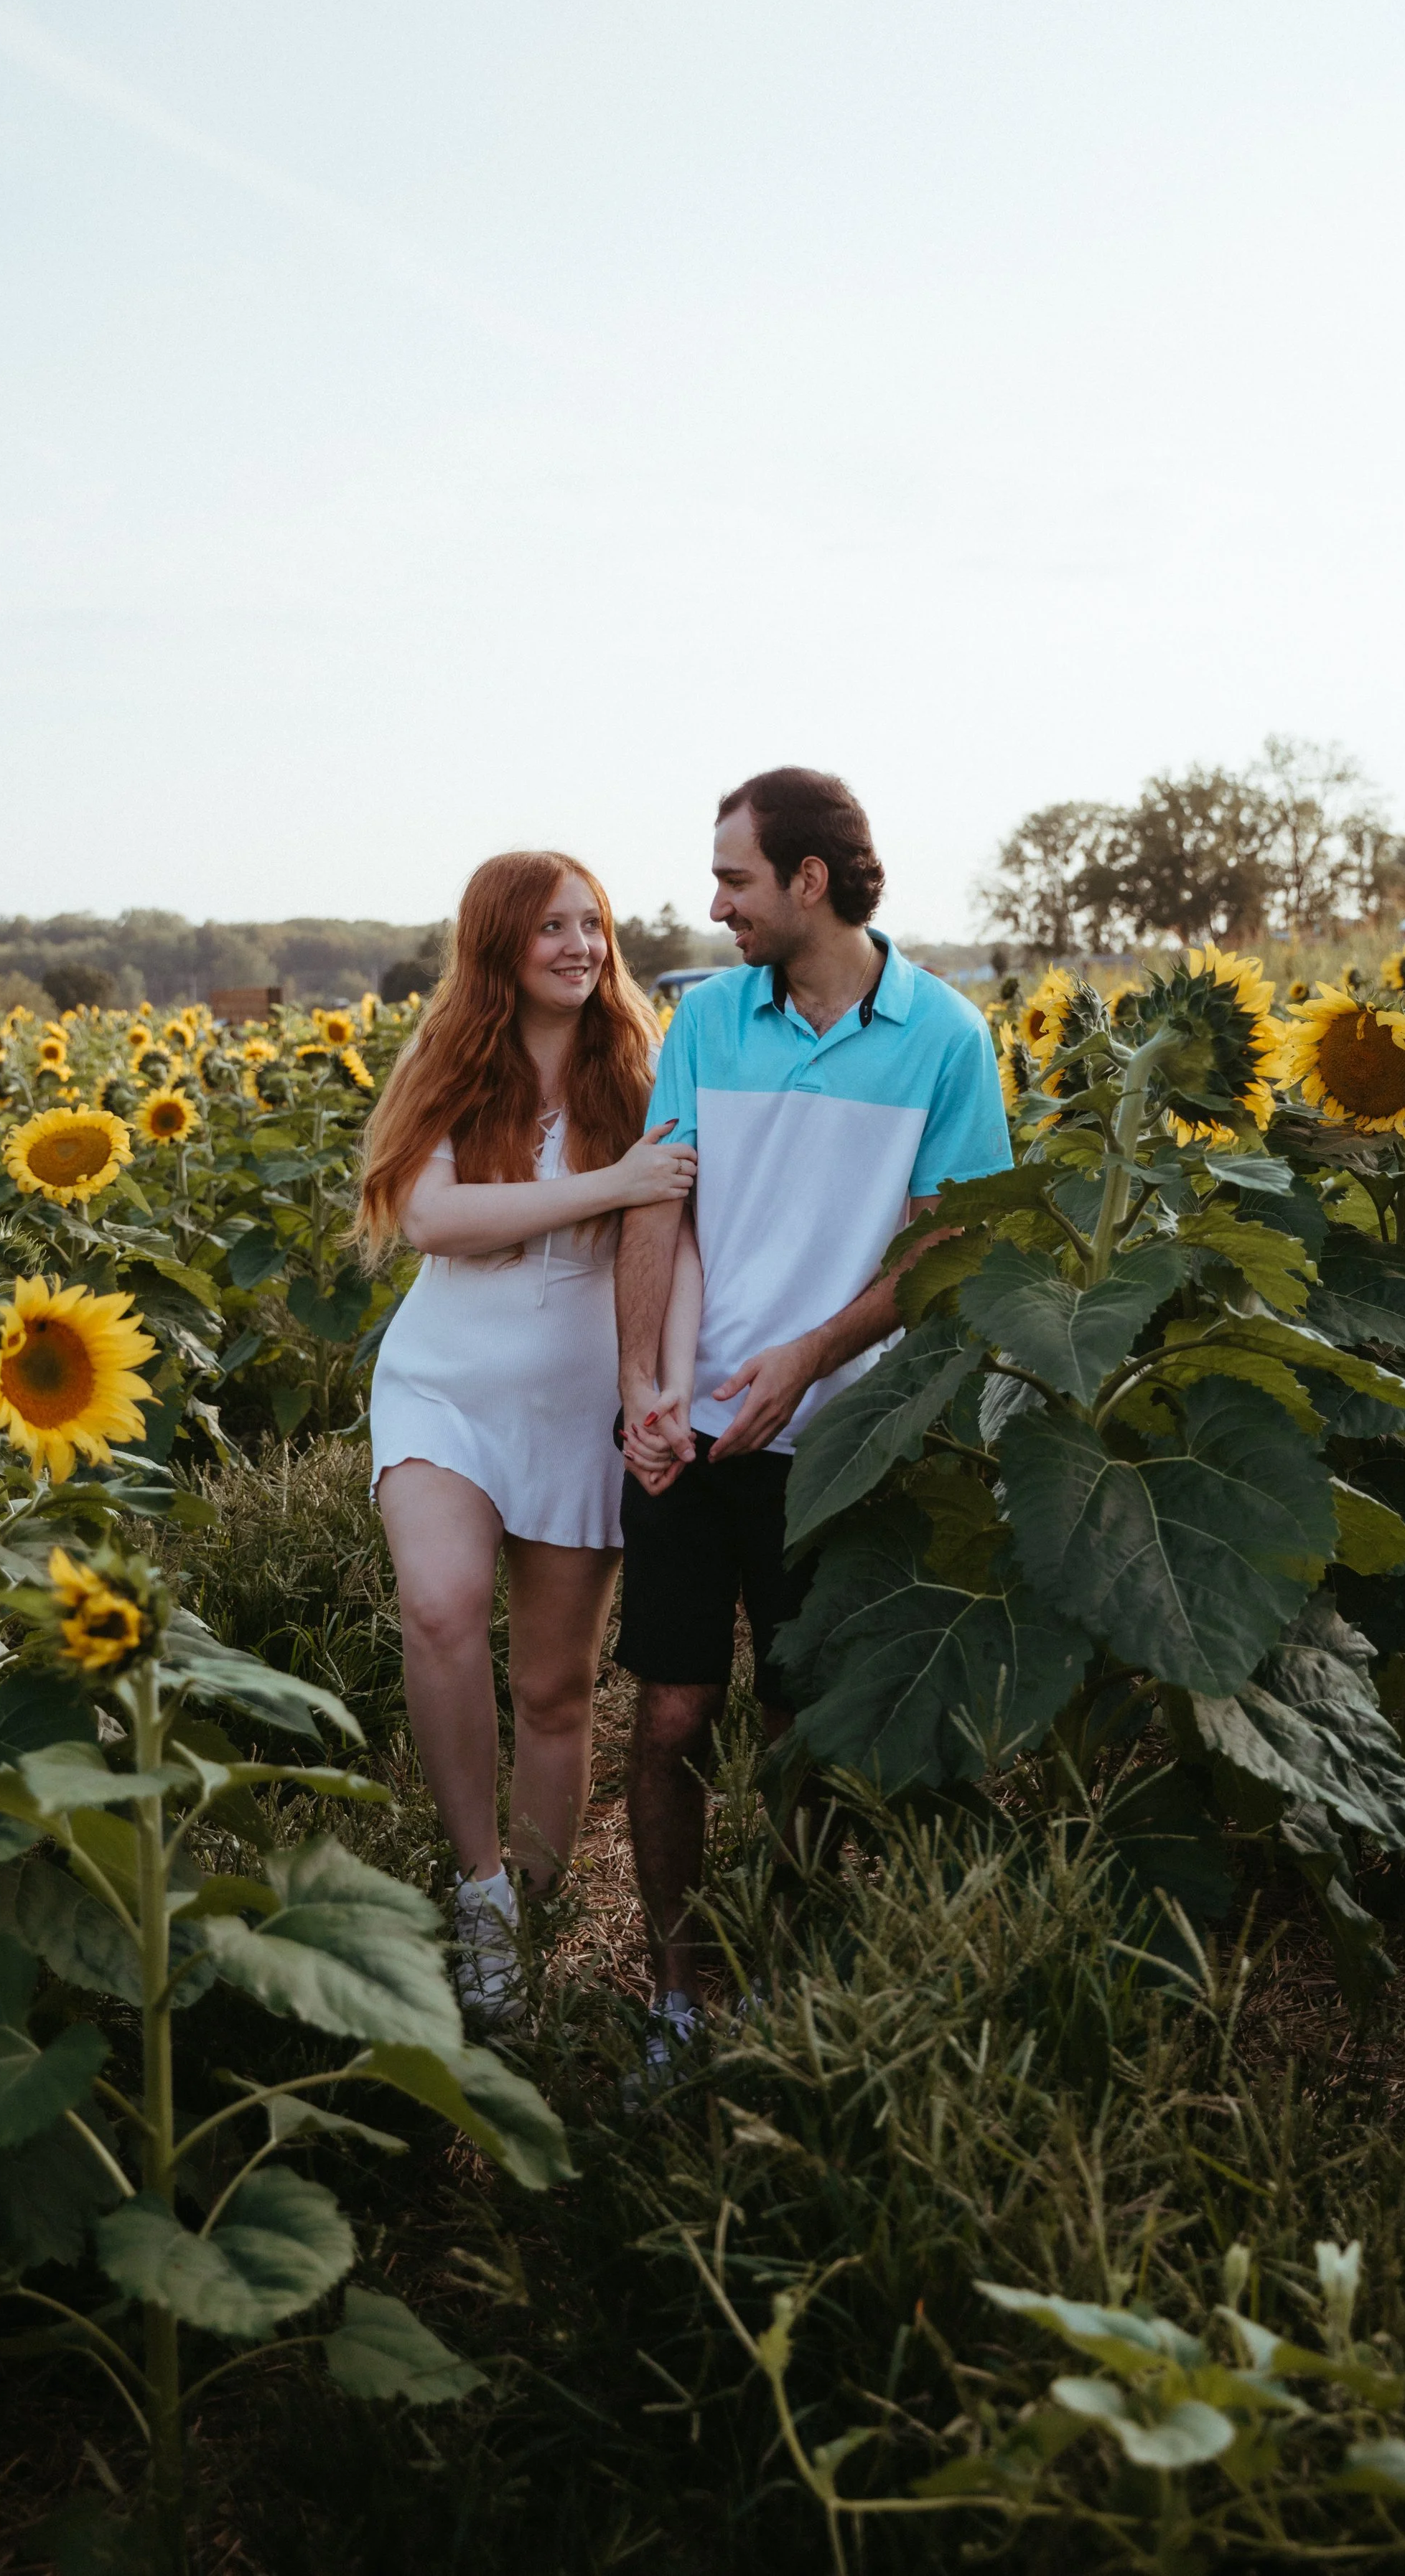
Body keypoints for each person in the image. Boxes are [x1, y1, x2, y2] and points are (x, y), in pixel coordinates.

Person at [615, 769, 1012, 2066]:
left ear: (810, 881)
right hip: (687, 1428)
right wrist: (642, 1386)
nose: (714, 901)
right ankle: (677, 1995)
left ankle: (788, 1983)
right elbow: (657, 1207)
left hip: (838, 1441)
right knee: (671, 1717)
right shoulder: (709, 1022)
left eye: (734, 877)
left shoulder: (944, 1037)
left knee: (800, 1729)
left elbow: (946, 1240)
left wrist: (813, 1355)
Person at [359, 851, 699, 2018]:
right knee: (442, 1603)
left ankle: (530, 1930)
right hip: (443, 1390)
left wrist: (663, 1382)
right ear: (499, 943)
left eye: (592, 925)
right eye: (551, 927)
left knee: (555, 1691)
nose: (579, 947)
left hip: (577, 1412)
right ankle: (480, 1892)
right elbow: (435, 1218)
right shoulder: (452, 1060)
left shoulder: (641, 1067)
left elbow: (683, 1233)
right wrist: (614, 1185)